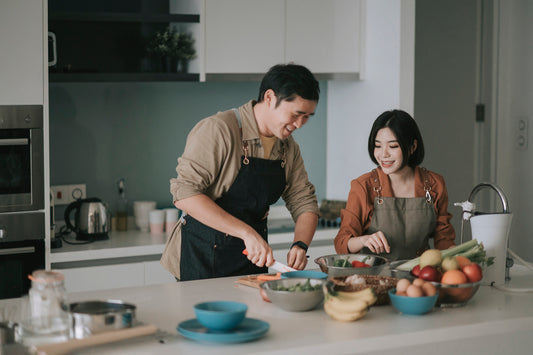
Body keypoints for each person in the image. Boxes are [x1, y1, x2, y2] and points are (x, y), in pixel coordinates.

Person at [161, 64, 321, 281]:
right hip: (203, 259)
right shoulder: (219, 130)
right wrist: (246, 233)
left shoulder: (287, 148)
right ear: (270, 97)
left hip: (252, 261)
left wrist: (300, 244)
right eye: (296, 114)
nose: (300, 124)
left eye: (307, 117)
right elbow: (185, 195)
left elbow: (304, 201)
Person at [334, 109, 455, 261]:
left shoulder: (434, 184)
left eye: (393, 146)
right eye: (378, 146)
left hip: (420, 276)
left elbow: (443, 240)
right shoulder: (364, 186)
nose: (383, 154)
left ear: (412, 147)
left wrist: (459, 253)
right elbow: (341, 243)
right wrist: (364, 240)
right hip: (376, 279)